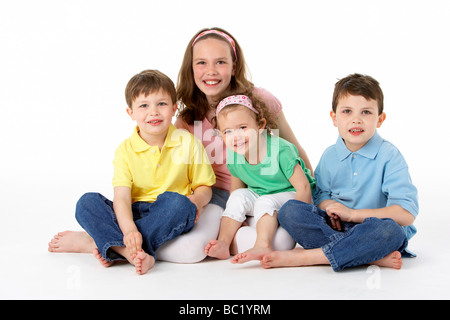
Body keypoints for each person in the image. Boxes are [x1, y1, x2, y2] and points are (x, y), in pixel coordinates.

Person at [48, 27, 313, 262]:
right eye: (201, 63)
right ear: (191, 69)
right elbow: (165, 166)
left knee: (279, 243)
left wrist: (314, 192)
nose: (211, 71)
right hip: (219, 194)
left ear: (234, 66)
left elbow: (293, 150)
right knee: (190, 249)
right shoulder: (187, 118)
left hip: (268, 187)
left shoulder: (258, 100)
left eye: (220, 62)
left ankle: (103, 240)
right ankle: (111, 241)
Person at [261, 73, 419, 271]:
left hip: (374, 230)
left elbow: (406, 214)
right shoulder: (330, 156)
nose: (356, 120)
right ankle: (367, 255)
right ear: (334, 118)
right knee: (290, 210)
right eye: (347, 111)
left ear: (380, 119)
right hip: (336, 227)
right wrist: (331, 207)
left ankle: (311, 257)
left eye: (366, 112)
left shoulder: (389, 156)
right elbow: (319, 196)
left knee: (391, 231)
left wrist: (353, 214)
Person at [74, 70, 215, 274]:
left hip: (167, 212)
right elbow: (121, 198)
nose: (154, 112)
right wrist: (130, 229)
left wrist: (197, 201)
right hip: (132, 213)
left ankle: (110, 245)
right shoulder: (125, 150)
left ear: (174, 108)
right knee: (86, 203)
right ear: (130, 113)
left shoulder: (188, 142)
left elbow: (205, 187)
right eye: (143, 106)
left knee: (180, 204)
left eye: (162, 104)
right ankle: (131, 253)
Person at [204, 92, 315, 263]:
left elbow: (304, 187)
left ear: (260, 125)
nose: (237, 136)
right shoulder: (235, 155)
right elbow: (237, 189)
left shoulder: (280, 150)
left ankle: (262, 244)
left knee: (266, 202)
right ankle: (224, 242)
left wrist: (302, 221)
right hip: (261, 194)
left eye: (243, 127)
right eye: (228, 131)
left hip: (290, 193)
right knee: (238, 197)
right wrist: (239, 218)